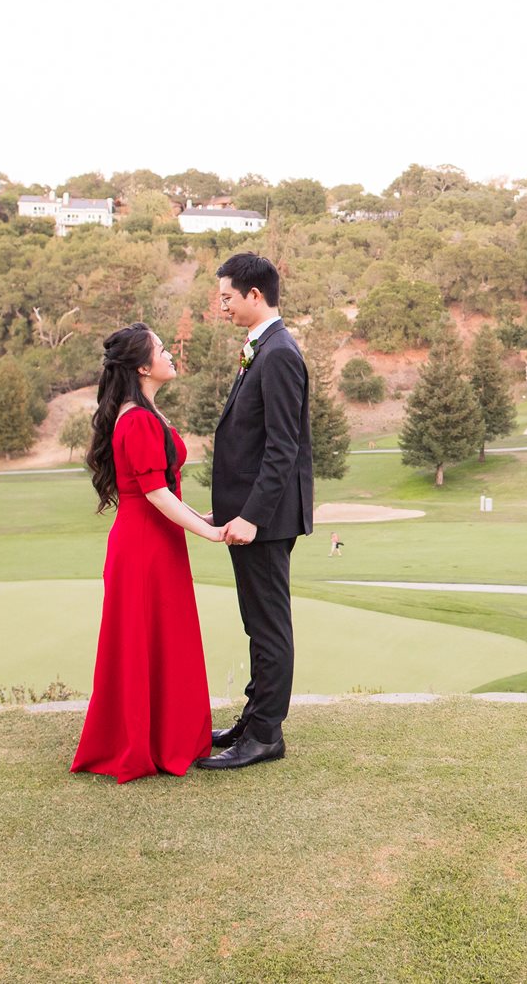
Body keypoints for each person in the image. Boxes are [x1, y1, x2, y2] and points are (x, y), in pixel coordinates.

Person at [70, 323, 229, 783]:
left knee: (164, 635)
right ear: (143, 366)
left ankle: (168, 736)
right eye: (162, 349)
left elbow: (156, 490)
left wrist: (200, 514)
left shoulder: (145, 412)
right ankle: (147, 743)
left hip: (156, 541)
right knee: (145, 638)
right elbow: (155, 495)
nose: (170, 354)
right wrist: (210, 532)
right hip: (143, 548)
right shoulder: (136, 418)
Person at [199, 252, 314, 771]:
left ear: (254, 295)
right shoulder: (260, 349)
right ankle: (255, 715)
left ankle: (267, 734)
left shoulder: (280, 353)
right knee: (257, 623)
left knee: (268, 626)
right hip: (246, 516)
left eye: (227, 297)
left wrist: (252, 517)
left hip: (262, 524)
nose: (221, 306)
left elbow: (282, 447)